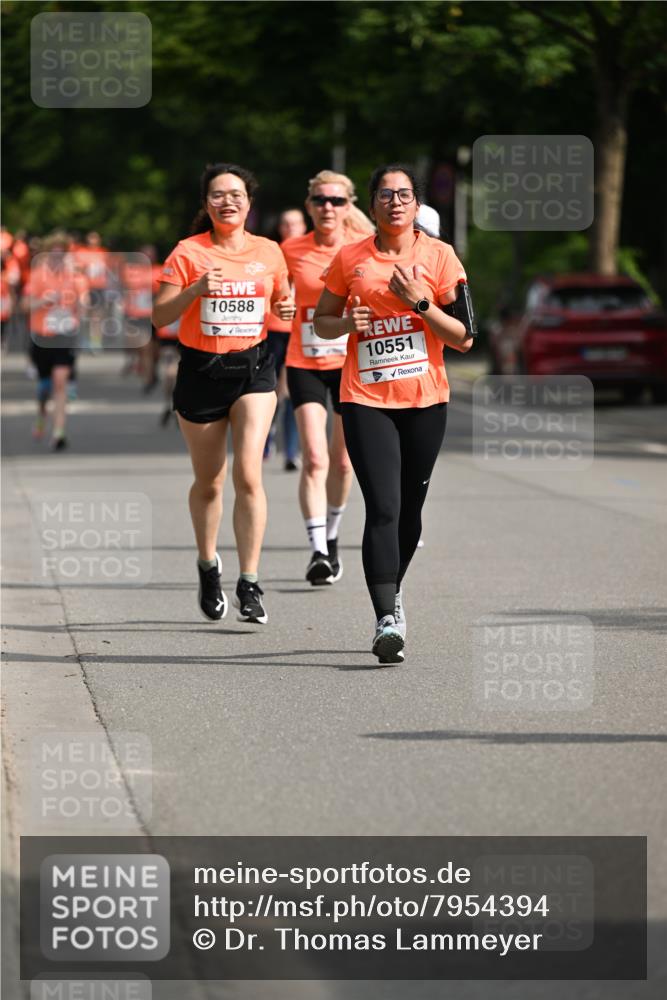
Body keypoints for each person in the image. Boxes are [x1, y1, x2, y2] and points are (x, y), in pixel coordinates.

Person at [314, 164, 473, 663]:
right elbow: (320, 323)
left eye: (404, 194)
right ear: (375, 204)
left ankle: (392, 589)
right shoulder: (350, 258)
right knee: (383, 505)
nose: (395, 202)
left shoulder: (441, 256)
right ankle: (386, 616)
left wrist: (420, 303)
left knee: (410, 510)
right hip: (365, 399)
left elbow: (465, 336)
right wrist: (345, 321)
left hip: (426, 400)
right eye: (386, 194)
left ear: (416, 204)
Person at [153, 162, 295, 625]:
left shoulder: (269, 251)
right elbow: (159, 318)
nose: (227, 201)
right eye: (218, 194)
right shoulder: (188, 252)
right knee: (210, 481)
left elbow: (282, 304)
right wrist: (195, 289)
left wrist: (287, 307)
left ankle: (250, 582)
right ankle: (208, 565)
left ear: (249, 202)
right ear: (206, 204)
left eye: (235, 194)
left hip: (253, 370)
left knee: (249, 475)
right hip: (201, 372)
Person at [282, 170, 374, 585]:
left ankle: (333, 537)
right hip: (304, 362)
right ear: (309, 205)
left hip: (349, 364)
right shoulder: (289, 250)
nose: (328, 208)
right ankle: (318, 550)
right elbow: (271, 294)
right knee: (315, 457)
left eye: (337, 201)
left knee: (342, 462)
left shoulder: (360, 252)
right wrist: (278, 310)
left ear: (348, 205)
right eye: (320, 200)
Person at [23, 231, 88, 449]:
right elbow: (23, 306)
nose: (58, 259)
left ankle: (59, 431)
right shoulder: (37, 275)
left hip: (65, 335)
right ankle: (42, 415)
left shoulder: (75, 277)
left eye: (62, 254)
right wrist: (42, 301)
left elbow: (85, 302)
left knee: (61, 382)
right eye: (54, 254)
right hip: (42, 337)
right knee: (44, 388)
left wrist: (82, 307)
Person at [264, 208, 306, 470]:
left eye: (295, 223)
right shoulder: (271, 253)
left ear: (304, 226)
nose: (290, 228)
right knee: (269, 390)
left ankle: (291, 451)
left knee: (291, 391)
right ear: (280, 228)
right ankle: (266, 434)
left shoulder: (313, 253)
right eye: (285, 223)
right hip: (272, 330)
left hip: (300, 332)